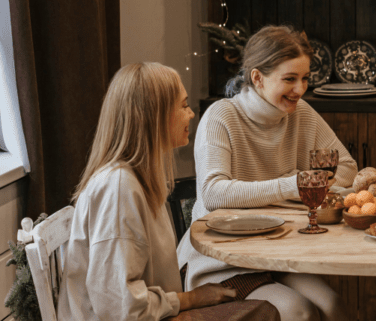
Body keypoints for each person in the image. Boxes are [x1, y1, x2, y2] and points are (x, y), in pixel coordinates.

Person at [58, 62, 279, 320]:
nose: (191, 114)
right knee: (263, 313)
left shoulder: (138, 180)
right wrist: (190, 299)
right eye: (183, 106)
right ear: (156, 116)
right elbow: (119, 306)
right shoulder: (118, 188)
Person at [178, 25, 357, 321]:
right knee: (300, 313)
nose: (300, 89)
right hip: (222, 263)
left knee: (334, 305)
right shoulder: (222, 116)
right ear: (258, 78)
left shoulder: (301, 113)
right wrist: (293, 185)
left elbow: (348, 167)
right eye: (289, 79)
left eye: (304, 79)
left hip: (279, 254)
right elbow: (211, 193)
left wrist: (305, 182)